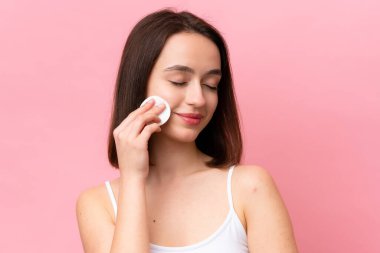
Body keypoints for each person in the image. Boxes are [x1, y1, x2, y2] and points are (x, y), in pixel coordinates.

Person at [76, 8, 299, 253]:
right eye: (179, 81)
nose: (198, 99)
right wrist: (133, 180)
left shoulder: (250, 187)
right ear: (139, 83)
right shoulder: (98, 204)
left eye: (210, 85)